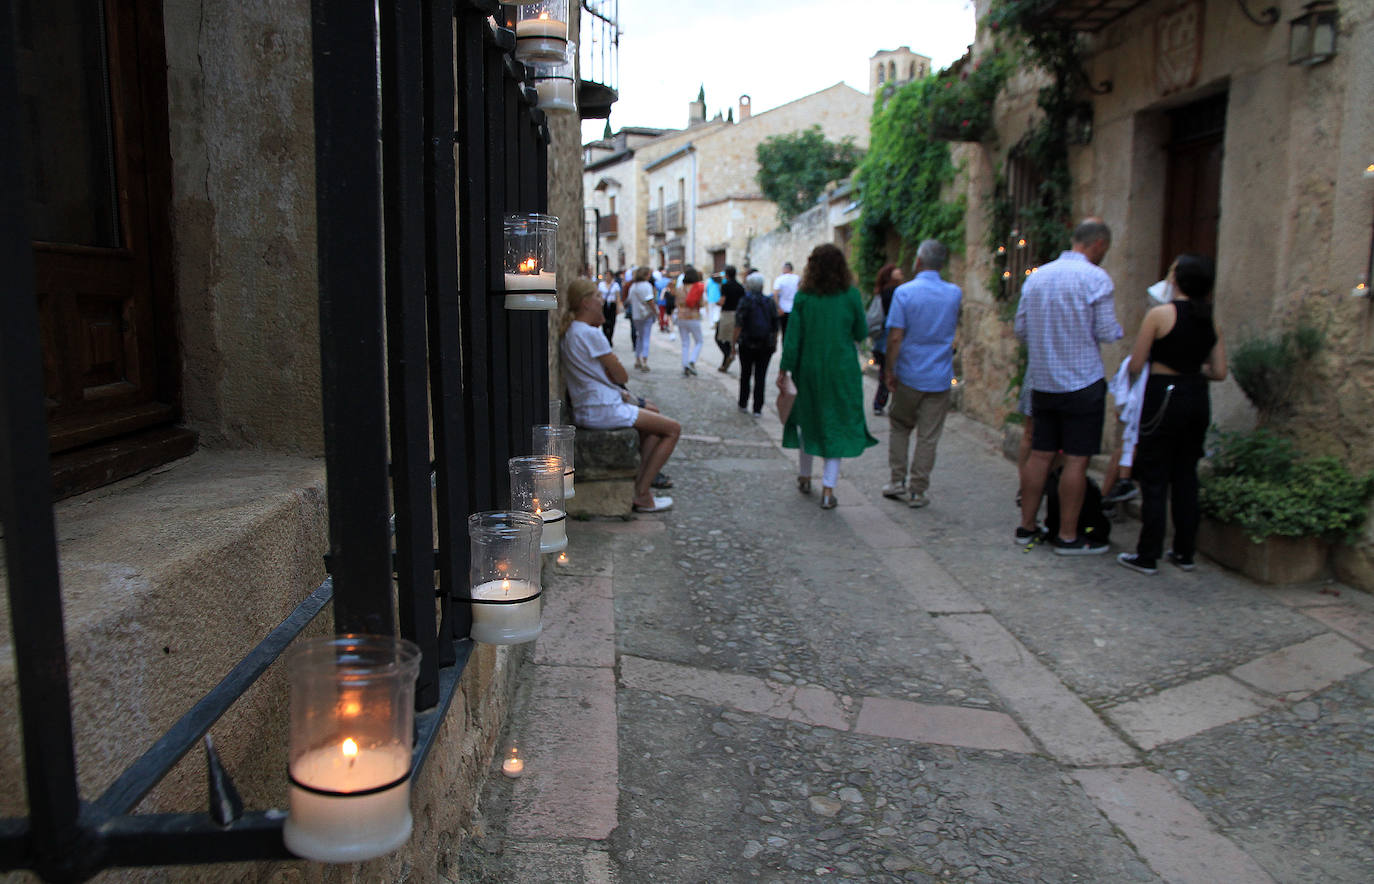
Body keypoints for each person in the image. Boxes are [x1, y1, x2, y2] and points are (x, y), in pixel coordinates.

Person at [1013, 218, 1123, 554]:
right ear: (1099, 244)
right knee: (1076, 460)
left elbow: (1020, 329)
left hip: (1043, 381)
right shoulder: (1096, 278)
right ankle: (1068, 535)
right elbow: (1107, 331)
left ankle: (1027, 527)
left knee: (1040, 455)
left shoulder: (1037, 278)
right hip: (1082, 381)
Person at [1117, 254, 1227, 575]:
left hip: (1163, 395)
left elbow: (1137, 364)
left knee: (1155, 476)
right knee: (1186, 475)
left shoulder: (1159, 315)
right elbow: (1219, 371)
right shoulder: (1210, 320)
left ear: (1176, 280)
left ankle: (1147, 553)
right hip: (1196, 395)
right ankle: (1184, 551)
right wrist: (1194, 368)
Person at [559, 279, 680, 513]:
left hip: (593, 406)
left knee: (655, 430)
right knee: (673, 429)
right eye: (596, 296)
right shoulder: (590, 334)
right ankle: (642, 493)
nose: (601, 300)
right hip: (602, 407)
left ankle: (639, 489)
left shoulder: (571, 332)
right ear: (585, 303)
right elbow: (620, 374)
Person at [777, 244, 878, 510]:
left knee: (808, 420)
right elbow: (860, 331)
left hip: (808, 369)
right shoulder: (851, 296)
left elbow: (793, 339)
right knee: (836, 424)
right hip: (841, 369)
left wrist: (783, 370)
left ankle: (805, 475)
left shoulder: (803, 298)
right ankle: (828, 489)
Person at [882, 240, 962, 509]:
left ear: (918, 261)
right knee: (928, 436)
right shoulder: (954, 293)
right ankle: (917, 489)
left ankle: (896, 481)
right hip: (939, 374)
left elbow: (895, 337)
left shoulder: (904, 293)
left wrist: (890, 370)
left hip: (909, 372)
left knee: (901, 427)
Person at [733, 271, 779, 415]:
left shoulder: (744, 301)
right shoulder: (769, 301)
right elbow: (775, 325)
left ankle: (743, 403)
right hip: (765, 344)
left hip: (746, 343)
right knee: (761, 376)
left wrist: (734, 342)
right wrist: (775, 342)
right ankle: (757, 408)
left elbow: (738, 323)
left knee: (745, 374)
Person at [869, 263, 904, 415]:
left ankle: (879, 403)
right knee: (894, 372)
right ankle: (895, 405)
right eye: (896, 270)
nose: (900, 271)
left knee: (884, 372)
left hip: (881, 339)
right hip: (891, 337)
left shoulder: (881, 292)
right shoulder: (897, 292)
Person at [715, 265, 745, 372]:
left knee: (720, 338)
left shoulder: (725, 286)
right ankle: (725, 362)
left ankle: (728, 354)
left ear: (726, 275)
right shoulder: (740, 287)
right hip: (737, 314)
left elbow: (722, 301)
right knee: (729, 338)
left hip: (727, 314)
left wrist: (717, 302)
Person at [677, 266, 705, 376]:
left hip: (681, 317)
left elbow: (677, 303)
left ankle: (685, 365)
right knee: (699, 341)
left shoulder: (679, 288)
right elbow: (701, 304)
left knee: (685, 343)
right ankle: (692, 361)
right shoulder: (697, 288)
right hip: (693, 317)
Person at [627, 267, 657, 372]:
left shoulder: (633, 286)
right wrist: (655, 311)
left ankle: (637, 358)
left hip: (636, 315)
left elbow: (629, 299)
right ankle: (644, 360)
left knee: (639, 336)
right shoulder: (647, 286)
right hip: (646, 314)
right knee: (646, 337)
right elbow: (650, 300)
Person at [772, 261, 800, 337]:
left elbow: (775, 293)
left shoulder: (780, 279)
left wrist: (778, 307)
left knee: (784, 331)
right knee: (794, 332)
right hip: (794, 308)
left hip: (783, 309)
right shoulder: (797, 279)